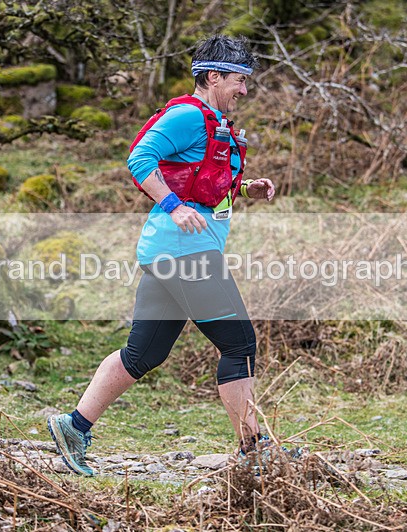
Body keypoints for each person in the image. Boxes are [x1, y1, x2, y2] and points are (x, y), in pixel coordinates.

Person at [47, 35, 275, 477]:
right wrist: (174, 206)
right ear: (214, 77)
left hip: (166, 251)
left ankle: (73, 427)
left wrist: (246, 188)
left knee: (143, 353)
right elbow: (139, 158)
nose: (245, 90)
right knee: (239, 344)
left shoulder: (211, 121)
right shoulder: (188, 115)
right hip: (185, 252)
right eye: (239, 80)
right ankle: (253, 453)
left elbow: (200, 180)